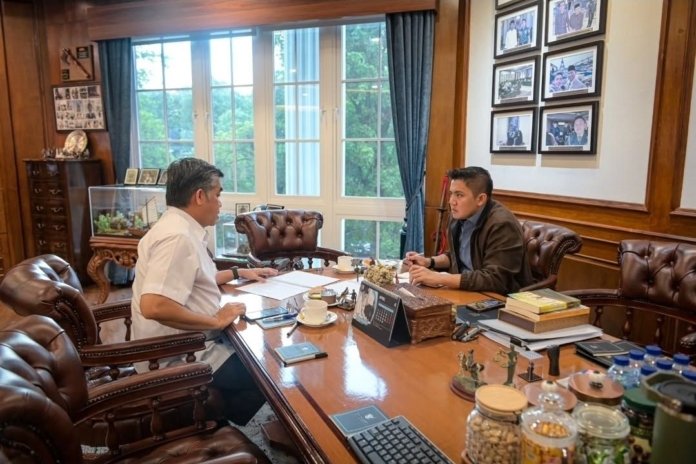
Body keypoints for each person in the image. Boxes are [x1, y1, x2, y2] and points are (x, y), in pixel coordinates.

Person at [130, 157, 278, 425]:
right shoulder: (177, 238)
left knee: (261, 356)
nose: (220, 203)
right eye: (218, 194)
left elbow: (196, 279)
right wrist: (215, 320)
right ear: (199, 196)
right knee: (272, 369)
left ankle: (218, 415)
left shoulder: (177, 227)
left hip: (191, 342)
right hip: (180, 353)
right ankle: (207, 420)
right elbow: (153, 305)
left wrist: (239, 273)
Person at [403, 166, 533, 294]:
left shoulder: (502, 225)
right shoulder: (459, 216)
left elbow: (495, 279)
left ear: (480, 199)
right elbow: (456, 256)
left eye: (459, 195)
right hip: (467, 290)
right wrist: (429, 262)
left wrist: (440, 278)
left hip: (497, 298)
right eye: (451, 194)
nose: (451, 201)